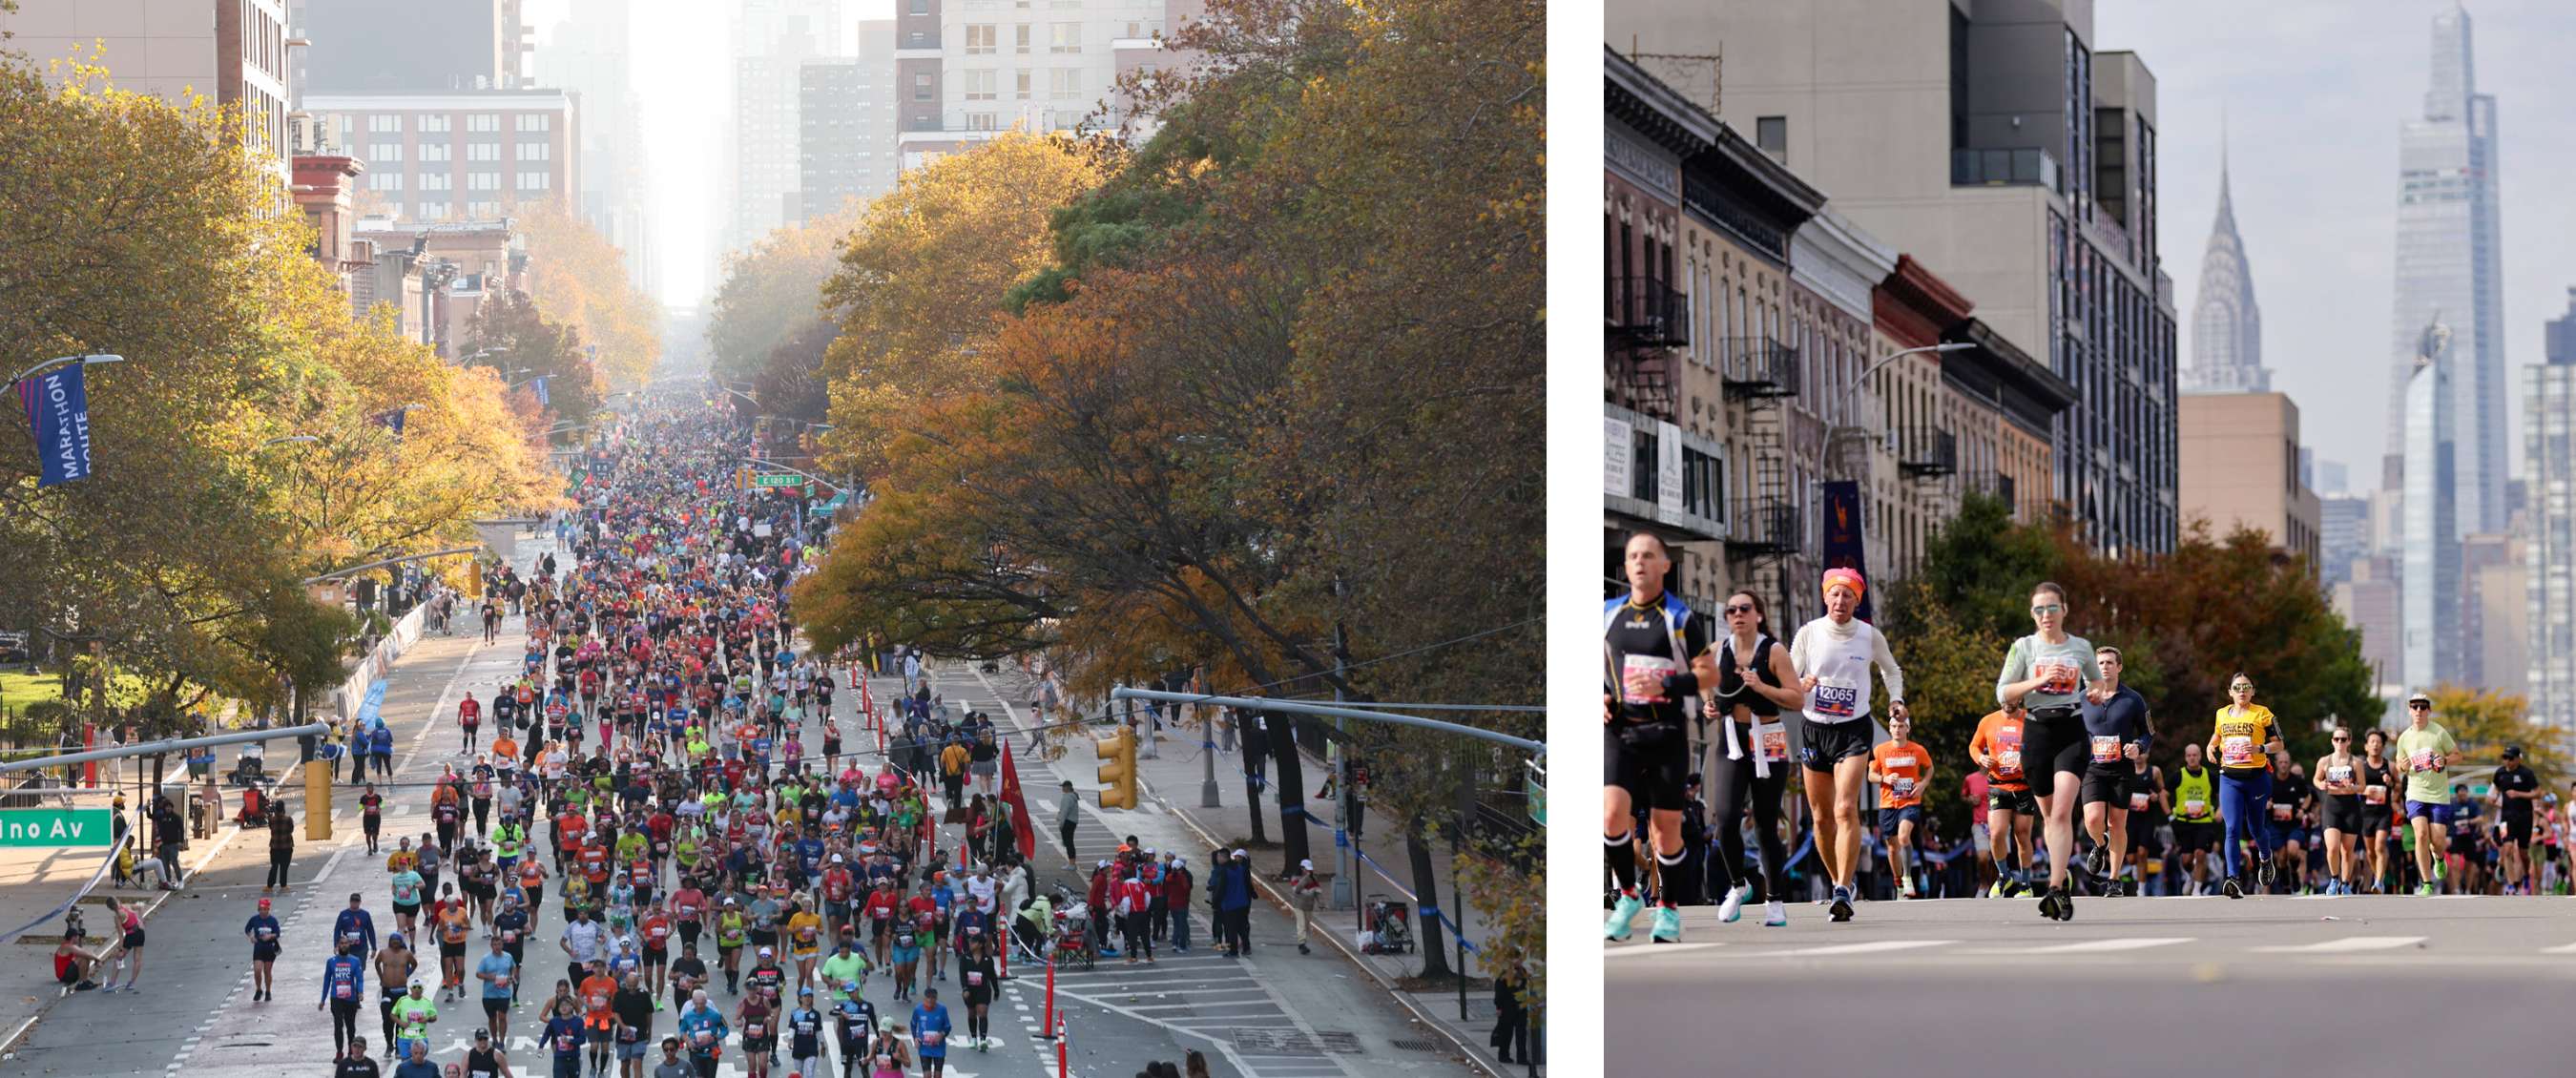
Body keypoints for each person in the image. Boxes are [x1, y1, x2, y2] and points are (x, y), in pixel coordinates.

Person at [1602, 531, 1718, 942]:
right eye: (1633, 555)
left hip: (1666, 732)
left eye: (1648, 556)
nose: (1639, 562)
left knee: (1665, 832)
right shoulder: (1607, 614)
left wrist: (1668, 681)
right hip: (1620, 731)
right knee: (1611, 815)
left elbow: (1709, 674)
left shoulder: (1679, 618)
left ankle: (1667, 909)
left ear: (1664, 566)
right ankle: (1630, 895)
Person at [1789, 567, 1906, 923]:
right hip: (1814, 729)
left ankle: (1842, 888)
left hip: (1853, 729)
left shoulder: (1868, 635)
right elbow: (1788, 678)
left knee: (1844, 808)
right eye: (1835, 594)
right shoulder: (1809, 633)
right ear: (1825, 596)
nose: (1841, 601)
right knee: (1821, 818)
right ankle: (1840, 878)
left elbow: (1891, 670)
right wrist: (1801, 683)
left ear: (1858, 600)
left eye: (1848, 595)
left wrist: (1895, 700)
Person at [1994, 582, 2112, 921]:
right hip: (2035, 732)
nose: (2046, 615)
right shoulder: (2024, 648)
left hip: (2071, 731)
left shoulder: (2080, 647)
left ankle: (2057, 887)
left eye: (2052, 608)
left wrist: (2095, 693)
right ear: (2033, 615)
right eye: (2039, 610)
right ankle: (2061, 874)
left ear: (2065, 609)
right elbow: (2003, 693)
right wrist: (2038, 681)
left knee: (2061, 813)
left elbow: (2097, 683)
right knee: (2049, 818)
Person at [1703, 590, 1801, 924]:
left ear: (1758, 614)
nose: (1737, 614)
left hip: (1769, 736)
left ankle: (1774, 899)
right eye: (1731, 610)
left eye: (1744, 608)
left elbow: (1796, 698)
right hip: (1731, 738)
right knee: (1726, 821)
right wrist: (1709, 704)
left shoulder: (1773, 651)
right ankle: (1738, 885)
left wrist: (1761, 687)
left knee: (1764, 825)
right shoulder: (1718, 651)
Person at [2075, 645, 2151, 897]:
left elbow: (2149, 732)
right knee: (2094, 820)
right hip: (2092, 768)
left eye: (2109, 663)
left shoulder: (2133, 699)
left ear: (2119, 667)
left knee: (2117, 823)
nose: (2105, 667)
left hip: (2121, 769)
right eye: (2100, 663)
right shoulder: (2083, 698)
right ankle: (2100, 844)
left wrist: (2138, 746)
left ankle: (2114, 880)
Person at [2209, 674, 2287, 899]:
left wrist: (2260, 749)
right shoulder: (2221, 714)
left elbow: (2280, 744)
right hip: (2229, 778)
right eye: (2237, 687)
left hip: (2256, 778)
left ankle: (2265, 857)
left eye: (2246, 687)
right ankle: (2233, 878)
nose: (2242, 690)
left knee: (2256, 828)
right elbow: (2216, 737)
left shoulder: (2263, 713)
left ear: (2253, 691)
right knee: (2231, 828)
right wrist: (2209, 747)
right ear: (2230, 691)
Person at [1968, 702, 2038, 898]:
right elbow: (1974, 746)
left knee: (2022, 835)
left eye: (2012, 697)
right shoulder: (1988, 721)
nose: (2008, 702)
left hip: (2023, 786)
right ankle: (2003, 875)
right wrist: (1981, 759)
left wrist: (2030, 760)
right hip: (1998, 785)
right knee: (1997, 833)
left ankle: (2025, 883)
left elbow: (2042, 745)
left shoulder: (2030, 720)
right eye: (2004, 697)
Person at [2396, 692, 2459, 895]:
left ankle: (2439, 858)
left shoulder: (2438, 733)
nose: (2419, 710)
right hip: (2416, 793)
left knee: (2437, 841)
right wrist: (2402, 766)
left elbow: (2458, 755)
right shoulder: (2404, 738)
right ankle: (2426, 883)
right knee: (2421, 835)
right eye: (2414, 707)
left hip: (2439, 795)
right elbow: (2399, 764)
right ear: (2409, 710)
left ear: (2429, 710)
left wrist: (2446, 760)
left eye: (2423, 706)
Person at [1867, 713, 1933, 900]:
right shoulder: (1880, 750)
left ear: (1907, 729)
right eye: (1894, 726)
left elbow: (1930, 768)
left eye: (1901, 726)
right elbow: (1870, 775)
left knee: (1904, 837)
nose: (1897, 729)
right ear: (1890, 729)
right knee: (1892, 847)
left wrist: (1922, 784)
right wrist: (1884, 778)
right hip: (1888, 803)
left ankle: (1907, 877)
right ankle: (1898, 883)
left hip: (1910, 801)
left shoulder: (1918, 750)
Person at [2316, 727, 2368, 895]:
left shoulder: (2355, 762)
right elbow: (2316, 779)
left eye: (2343, 739)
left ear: (2349, 741)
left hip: (2350, 807)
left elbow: (2362, 787)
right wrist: (2321, 784)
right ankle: (2334, 878)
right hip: (2331, 805)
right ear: (2332, 741)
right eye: (2337, 739)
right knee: (2332, 847)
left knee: (2347, 850)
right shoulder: (2324, 761)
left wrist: (2351, 786)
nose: (2340, 742)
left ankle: (2346, 883)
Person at [2168, 742, 2222, 896]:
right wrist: (2170, 816)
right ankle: (2190, 877)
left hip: (2204, 822)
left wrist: (2220, 810)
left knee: (2200, 853)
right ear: (2186, 758)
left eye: (2195, 755)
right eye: (2189, 755)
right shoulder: (2178, 775)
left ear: (2200, 756)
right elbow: (2163, 794)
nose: (2192, 758)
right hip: (2184, 823)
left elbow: (2222, 795)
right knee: (2186, 859)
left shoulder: (2210, 776)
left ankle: (2197, 888)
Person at [2490, 745, 2542, 894]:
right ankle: (2511, 885)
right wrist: (2493, 798)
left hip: (2525, 817)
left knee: (2523, 854)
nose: (2508, 761)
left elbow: (2538, 793)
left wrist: (2519, 794)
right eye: (2505, 757)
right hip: (2506, 819)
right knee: (2507, 850)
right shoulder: (2499, 773)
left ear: (2519, 758)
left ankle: (2525, 875)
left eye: (2511, 758)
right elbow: (2494, 791)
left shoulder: (2526, 773)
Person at [2359, 729, 2399, 893]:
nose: (2375, 745)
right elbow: (2352, 788)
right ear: (2366, 746)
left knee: (2380, 846)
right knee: (2370, 851)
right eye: (2372, 742)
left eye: (2378, 742)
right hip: (2366, 813)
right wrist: (2364, 791)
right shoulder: (2360, 767)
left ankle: (2379, 882)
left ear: (2383, 747)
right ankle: (2378, 876)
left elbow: (2399, 787)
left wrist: (2390, 784)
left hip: (2383, 813)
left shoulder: (2389, 766)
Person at [324, 941, 370, 1057]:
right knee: (338, 1024)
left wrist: (360, 992)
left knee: (350, 1026)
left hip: (350, 998)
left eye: (346, 943)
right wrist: (323, 998)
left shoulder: (355, 961)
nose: (344, 945)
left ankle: (351, 1050)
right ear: (338, 946)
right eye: (341, 943)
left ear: (349, 945)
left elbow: (359, 978)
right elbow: (327, 981)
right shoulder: (331, 961)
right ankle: (339, 1051)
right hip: (336, 998)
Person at [96, 895, 145, 992]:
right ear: (118, 901)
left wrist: (120, 948)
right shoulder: (126, 906)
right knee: (137, 959)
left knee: (119, 957)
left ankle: (112, 983)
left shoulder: (117, 917)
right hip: (140, 932)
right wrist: (140, 920)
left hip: (131, 935)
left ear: (110, 908)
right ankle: (132, 983)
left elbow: (120, 935)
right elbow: (141, 907)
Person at [957, 933, 997, 1051]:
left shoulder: (987, 959)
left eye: (973, 942)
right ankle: (974, 1037)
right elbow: (962, 975)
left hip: (983, 990)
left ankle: (983, 1039)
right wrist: (965, 989)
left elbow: (992, 976)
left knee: (982, 1012)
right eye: (970, 942)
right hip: (970, 991)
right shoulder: (965, 958)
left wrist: (996, 990)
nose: (970, 945)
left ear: (980, 945)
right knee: (971, 1013)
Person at [477, 934, 518, 1042]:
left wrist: (512, 976)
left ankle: (502, 1042)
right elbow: (478, 974)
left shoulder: (508, 956)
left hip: (504, 993)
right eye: (494, 944)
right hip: (489, 994)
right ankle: (494, 1040)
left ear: (502, 945)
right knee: (492, 1018)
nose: (497, 946)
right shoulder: (486, 959)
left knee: (502, 1017)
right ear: (491, 946)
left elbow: (513, 967)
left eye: (499, 944)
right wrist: (488, 976)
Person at [391, 980, 441, 1064]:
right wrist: (401, 1023)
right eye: (414, 987)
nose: (417, 989)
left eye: (419, 987)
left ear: (422, 989)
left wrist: (427, 1019)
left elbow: (434, 1017)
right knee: (405, 1063)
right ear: (410, 989)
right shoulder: (402, 1000)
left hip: (420, 1036)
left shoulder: (427, 1002)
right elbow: (392, 1014)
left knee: (419, 1061)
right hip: (404, 1036)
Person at [245, 896, 282, 1002]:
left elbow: (277, 933)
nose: (263, 912)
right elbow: (247, 929)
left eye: (265, 909)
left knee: (267, 971)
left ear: (268, 909)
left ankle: (268, 991)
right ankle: (258, 989)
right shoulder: (254, 919)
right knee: (257, 970)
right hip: (259, 947)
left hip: (269, 949)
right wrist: (251, 936)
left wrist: (270, 936)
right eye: (261, 909)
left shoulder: (273, 920)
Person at [542, 996, 589, 1078]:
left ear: (572, 1007)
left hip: (574, 1058)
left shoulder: (579, 1021)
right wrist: (540, 1047)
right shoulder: (554, 1021)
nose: (563, 1007)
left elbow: (583, 1039)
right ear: (558, 1009)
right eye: (561, 1005)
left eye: (566, 1005)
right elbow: (546, 1034)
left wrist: (569, 1041)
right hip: (559, 1058)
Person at [909, 987, 952, 1076]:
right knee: (927, 1075)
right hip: (924, 1047)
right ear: (924, 998)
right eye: (928, 998)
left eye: (933, 998)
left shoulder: (942, 1009)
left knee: (938, 1075)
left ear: (936, 999)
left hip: (939, 1048)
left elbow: (948, 1026)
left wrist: (942, 1034)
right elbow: (913, 1024)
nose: (930, 1000)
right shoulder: (918, 1009)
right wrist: (915, 1038)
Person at [1289, 860, 1323, 954]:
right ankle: (1301, 944)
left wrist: (1321, 903)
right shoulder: (1295, 878)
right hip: (1298, 905)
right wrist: (1305, 879)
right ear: (1302, 868)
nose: (1309, 871)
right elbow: (1297, 890)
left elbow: (1317, 891)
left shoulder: (1314, 879)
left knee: (1307, 926)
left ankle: (1303, 942)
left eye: (1310, 870)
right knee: (1301, 924)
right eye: (1307, 869)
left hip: (1309, 906)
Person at [268, 799, 297, 892]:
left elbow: (270, 827)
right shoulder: (288, 819)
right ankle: (283, 885)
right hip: (286, 846)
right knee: (284, 867)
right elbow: (291, 830)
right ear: (283, 809)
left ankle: (270, 886)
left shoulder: (271, 819)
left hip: (275, 847)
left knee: (274, 866)